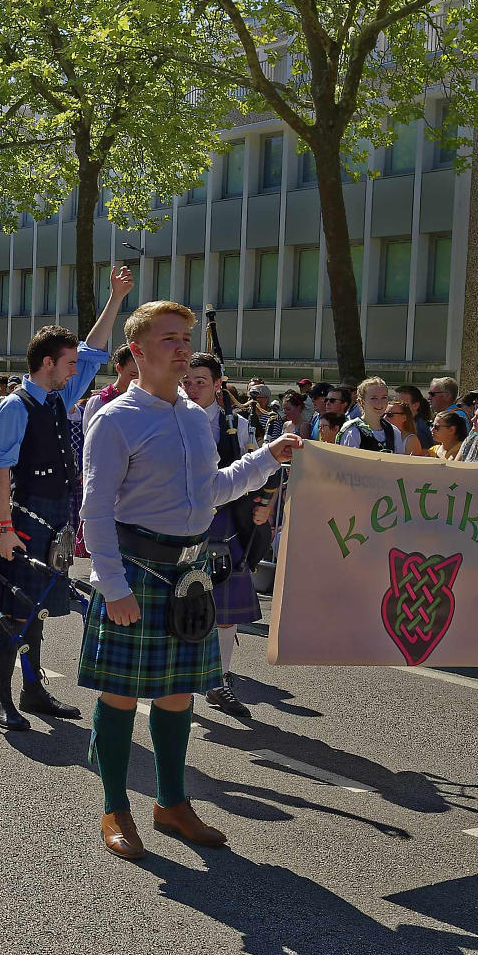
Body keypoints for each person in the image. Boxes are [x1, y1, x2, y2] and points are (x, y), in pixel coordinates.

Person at [79, 300, 301, 859]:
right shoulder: (114, 420)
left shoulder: (196, 417)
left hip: (189, 572)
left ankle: (171, 804)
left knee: (179, 693)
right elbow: (96, 509)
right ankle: (115, 807)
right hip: (135, 571)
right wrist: (113, 586)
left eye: (185, 338)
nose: (182, 348)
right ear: (137, 351)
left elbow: (214, 491)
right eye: (169, 339)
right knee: (121, 692)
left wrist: (268, 457)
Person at [0, 264, 131, 729]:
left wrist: (115, 300)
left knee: (39, 608)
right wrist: (5, 529)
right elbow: (0, 471)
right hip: (24, 519)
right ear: (48, 363)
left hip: (54, 519)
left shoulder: (57, 400)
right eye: (67, 363)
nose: (76, 370)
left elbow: (92, 352)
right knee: (15, 610)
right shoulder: (16, 405)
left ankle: (32, 691)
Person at [180, 353, 275, 722]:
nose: (191, 387)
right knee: (183, 606)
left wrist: (265, 505)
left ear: (218, 384)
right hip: (180, 526)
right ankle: (181, 686)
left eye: (200, 381)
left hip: (224, 529)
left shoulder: (238, 426)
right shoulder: (169, 419)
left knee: (224, 613)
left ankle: (218, 682)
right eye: (186, 380)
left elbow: (267, 469)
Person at [338, 377, 401, 452]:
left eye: (384, 397)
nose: (380, 403)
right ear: (362, 402)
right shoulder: (353, 431)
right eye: (374, 398)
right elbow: (347, 462)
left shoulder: (393, 431)